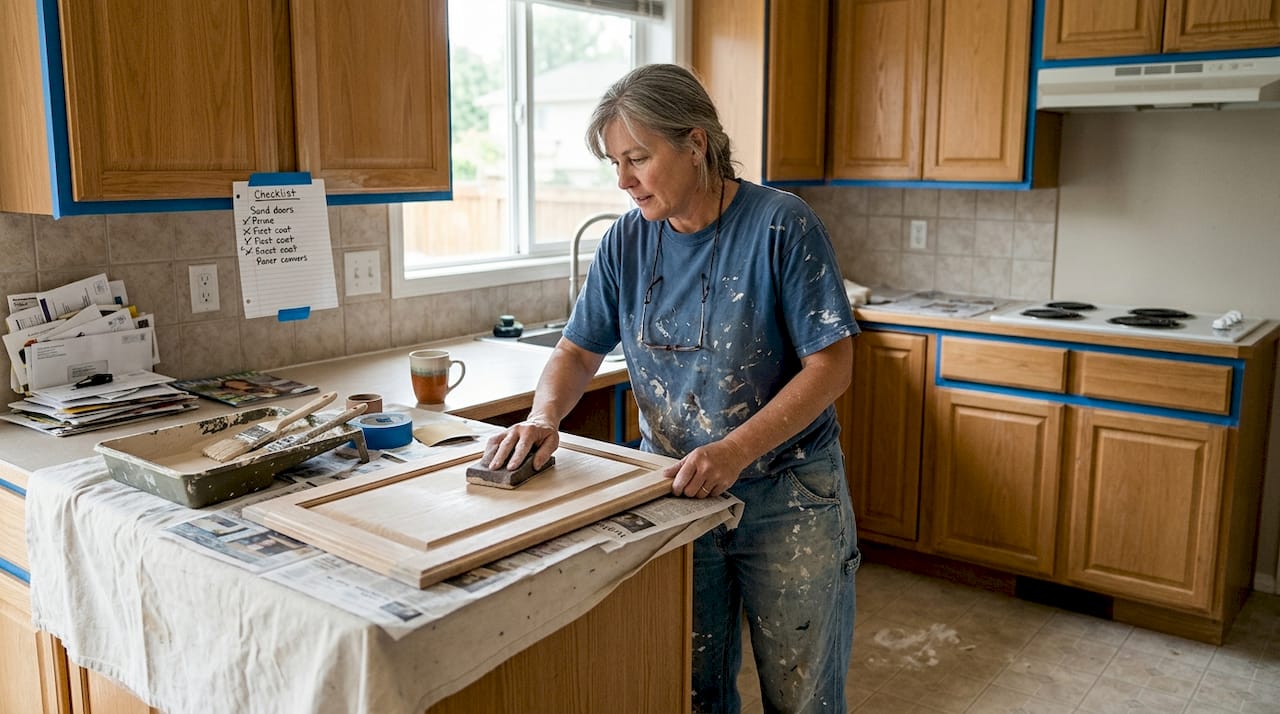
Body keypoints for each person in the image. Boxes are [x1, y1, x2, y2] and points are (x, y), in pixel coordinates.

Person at [482, 63, 860, 713]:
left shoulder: (780, 225)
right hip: (674, 490)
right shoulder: (625, 240)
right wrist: (545, 416)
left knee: (803, 697)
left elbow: (832, 366)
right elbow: (575, 351)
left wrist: (734, 451)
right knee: (688, 689)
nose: (623, 181)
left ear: (695, 144)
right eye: (615, 163)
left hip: (789, 493)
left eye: (637, 159)